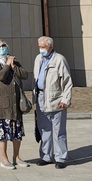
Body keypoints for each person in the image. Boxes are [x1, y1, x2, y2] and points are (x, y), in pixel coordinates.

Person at [33, 36, 72, 169]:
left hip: (56, 98)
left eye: (43, 47)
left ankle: (60, 157)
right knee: (44, 129)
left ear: (50, 47)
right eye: (39, 46)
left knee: (58, 130)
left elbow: (67, 81)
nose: (41, 49)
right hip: (41, 98)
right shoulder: (38, 59)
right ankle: (46, 156)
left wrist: (66, 99)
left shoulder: (59, 59)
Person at [0, 40, 29, 169]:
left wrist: (14, 67)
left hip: (16, 104)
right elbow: (1, 76)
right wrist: (7, 65)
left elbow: (24, 75)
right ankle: (4, 159)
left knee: (17, 134)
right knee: (4, 134)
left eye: (3, 46)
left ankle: (16, 157)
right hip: (4, 105)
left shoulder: (14, 61)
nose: (1, 48)